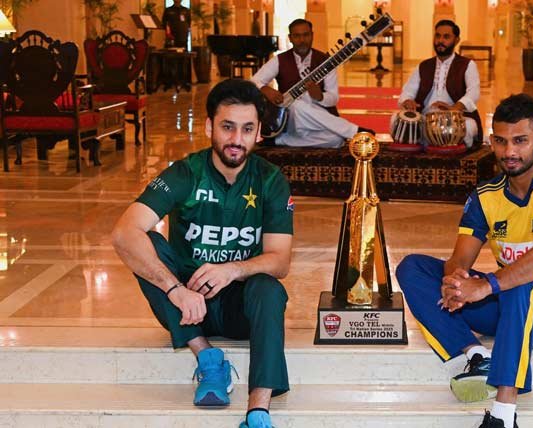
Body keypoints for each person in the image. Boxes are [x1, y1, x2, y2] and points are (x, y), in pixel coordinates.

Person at [396, 93, 533, 428]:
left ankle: (503, 414)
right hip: (510, 307)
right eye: (501, 141)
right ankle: (477, 355)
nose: (509, 152)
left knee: (520, 281)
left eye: (520, 141)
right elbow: (459, 258)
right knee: (414, 268)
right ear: (491, 141)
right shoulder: (485, 196)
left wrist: (487, 285)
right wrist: (455, 282)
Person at [111, 79, 293, 428]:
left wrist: (232, 269)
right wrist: (175, 289)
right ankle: (208, 359)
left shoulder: (270, 180)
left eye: (247, 129)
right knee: (147, 243)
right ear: (209, 126)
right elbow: (123, 233)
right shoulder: (186, 173)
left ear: (259, 133)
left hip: (242, 308)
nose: (236, 139)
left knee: (269, 287)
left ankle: (258, 412)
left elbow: (280, 260)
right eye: (227, 127)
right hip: (187, 309)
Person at [252, 19, 370, 148]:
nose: (302, 40)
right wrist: (265, 89)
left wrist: (320, 97)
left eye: (306, 35)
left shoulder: (326, 62)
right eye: (297, 36)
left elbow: (333, 98)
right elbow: (254, 81)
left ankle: (280, 141)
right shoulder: (279, 60)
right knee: (296, 105)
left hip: (316, 121)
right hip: (290, 120)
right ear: (290, 38)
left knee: (336, 140)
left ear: (312, 35)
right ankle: (354, 131)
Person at [394, 20, 482, 148]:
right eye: (437, 36)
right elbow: (408, 91)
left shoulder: (467, 65)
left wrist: (455, 108)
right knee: (394, 120)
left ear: (456, 40)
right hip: (426, 118)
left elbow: (473, 93)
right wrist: (407, 100)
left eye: (446, 37)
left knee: (469, 126)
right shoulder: (424, 66)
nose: (440, 41)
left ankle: (441, 147)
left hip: (455, 118)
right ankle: (429, 143)